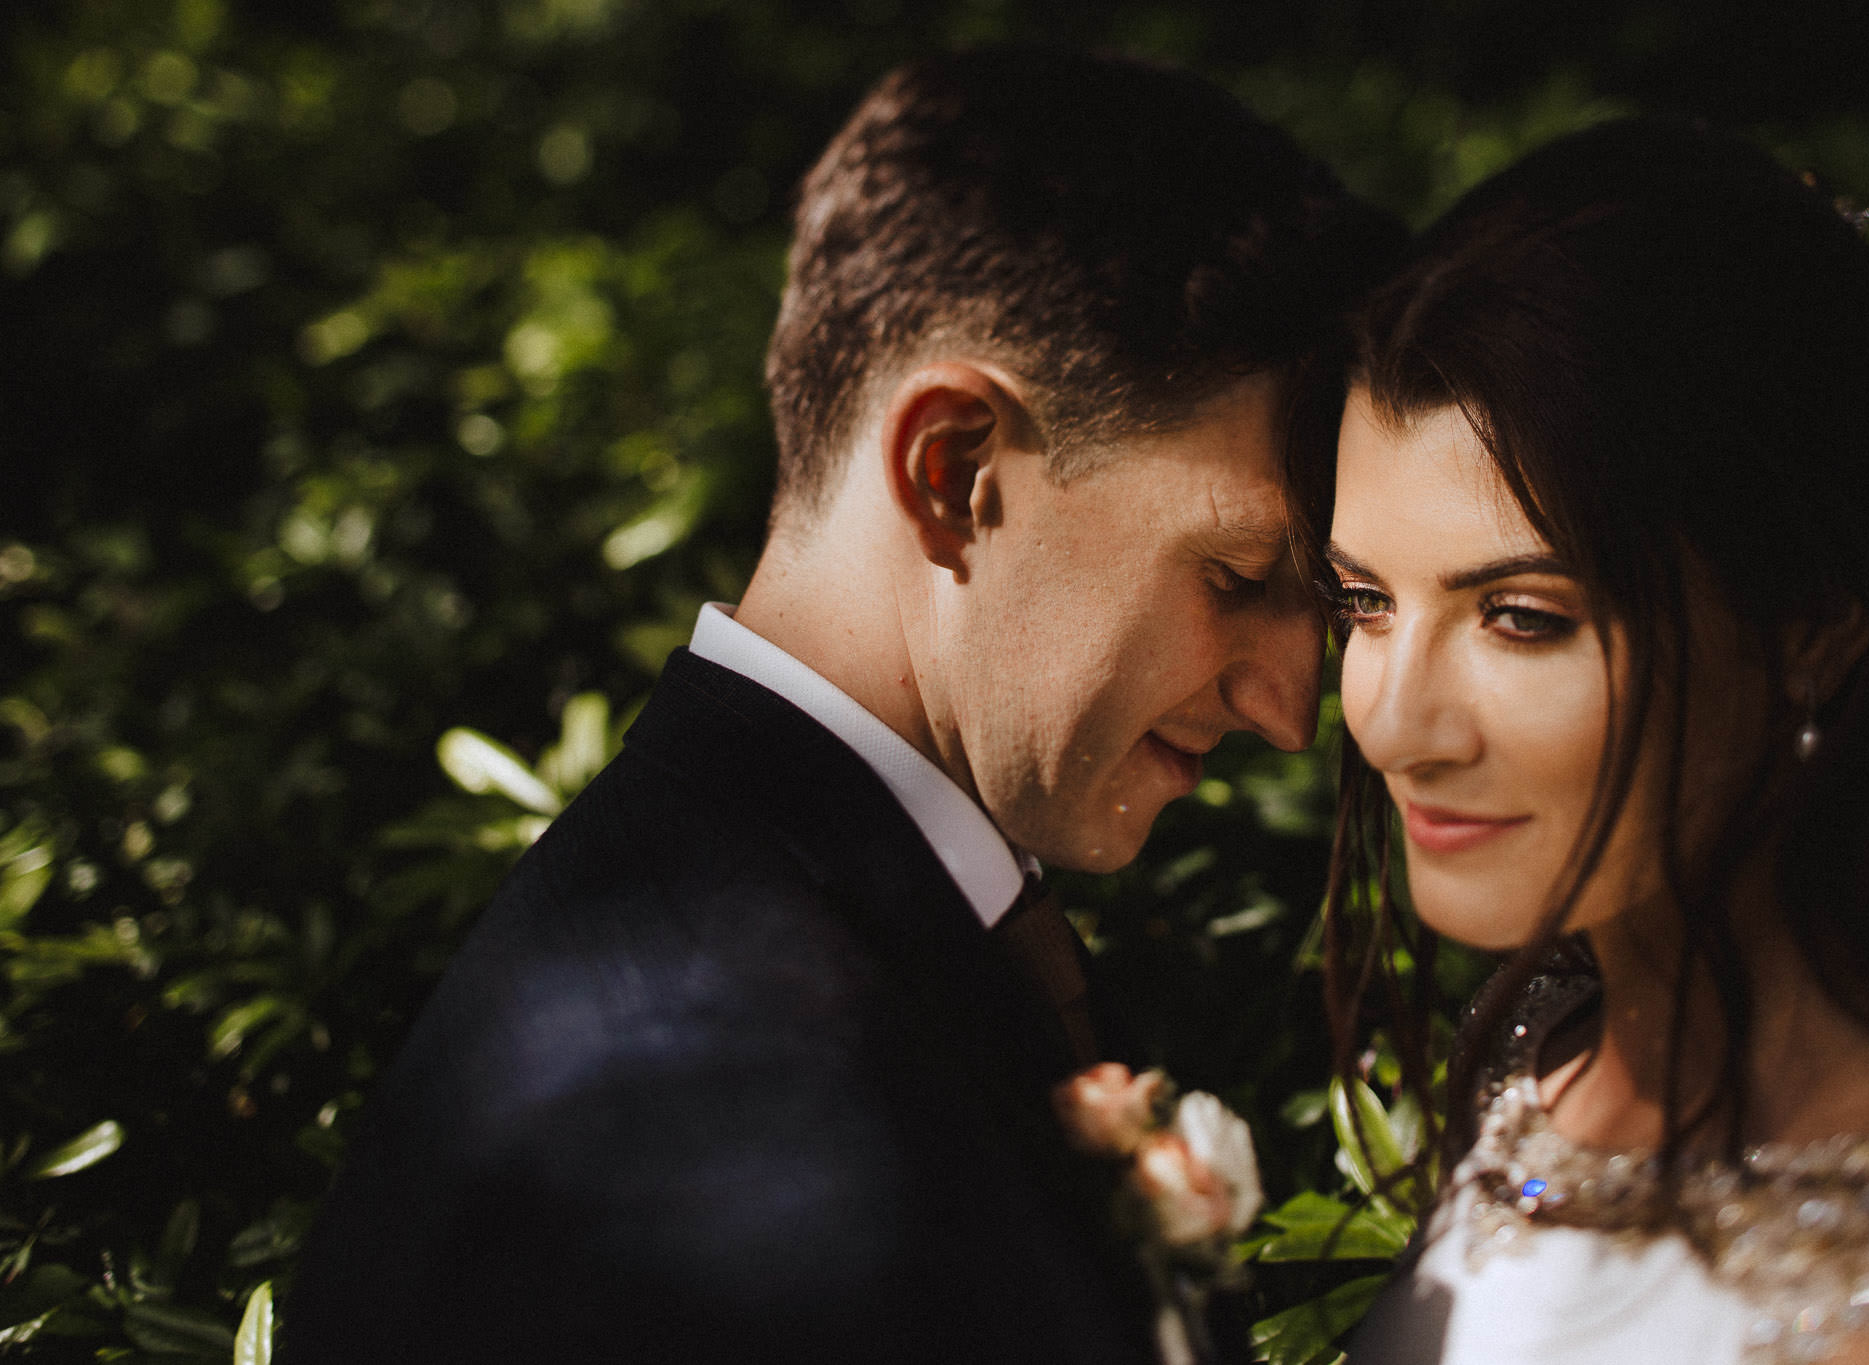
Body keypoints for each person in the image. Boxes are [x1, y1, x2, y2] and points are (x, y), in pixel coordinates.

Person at [280, 45, 1403, 1365]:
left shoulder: (787, 930)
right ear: (953, 466)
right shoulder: (719, 1095)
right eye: (1239, 577)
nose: (1287, 709)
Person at [1321, 119, 1869, 1364]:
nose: (1390, 723)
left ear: (1808, 628)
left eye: (1521, 618)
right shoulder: (1537, 1054)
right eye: (1364, 603)